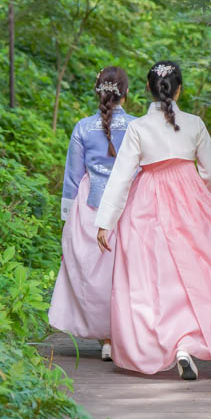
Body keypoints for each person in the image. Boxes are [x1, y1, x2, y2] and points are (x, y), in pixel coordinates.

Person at [95, 61, 211, 381]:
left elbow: (121, 178)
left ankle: (162, 345)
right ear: (179, 89)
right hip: (190, 200)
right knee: (197, 275)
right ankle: (186, 344)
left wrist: (105, 221)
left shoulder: (138, 128)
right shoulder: (194, 124)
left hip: (146, 203)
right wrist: (201, 196)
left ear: (148, 89)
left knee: (154, 279)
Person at [48, 66, 135, 360]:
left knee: (93, 273)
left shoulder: (83, 128)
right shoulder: (138, 127)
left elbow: (73, 177)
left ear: (97, 91)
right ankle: (121, 335)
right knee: (124, 272)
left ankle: (105, 338)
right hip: (129, 206)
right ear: (127, 93)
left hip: (90, 205)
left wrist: (67, 218)